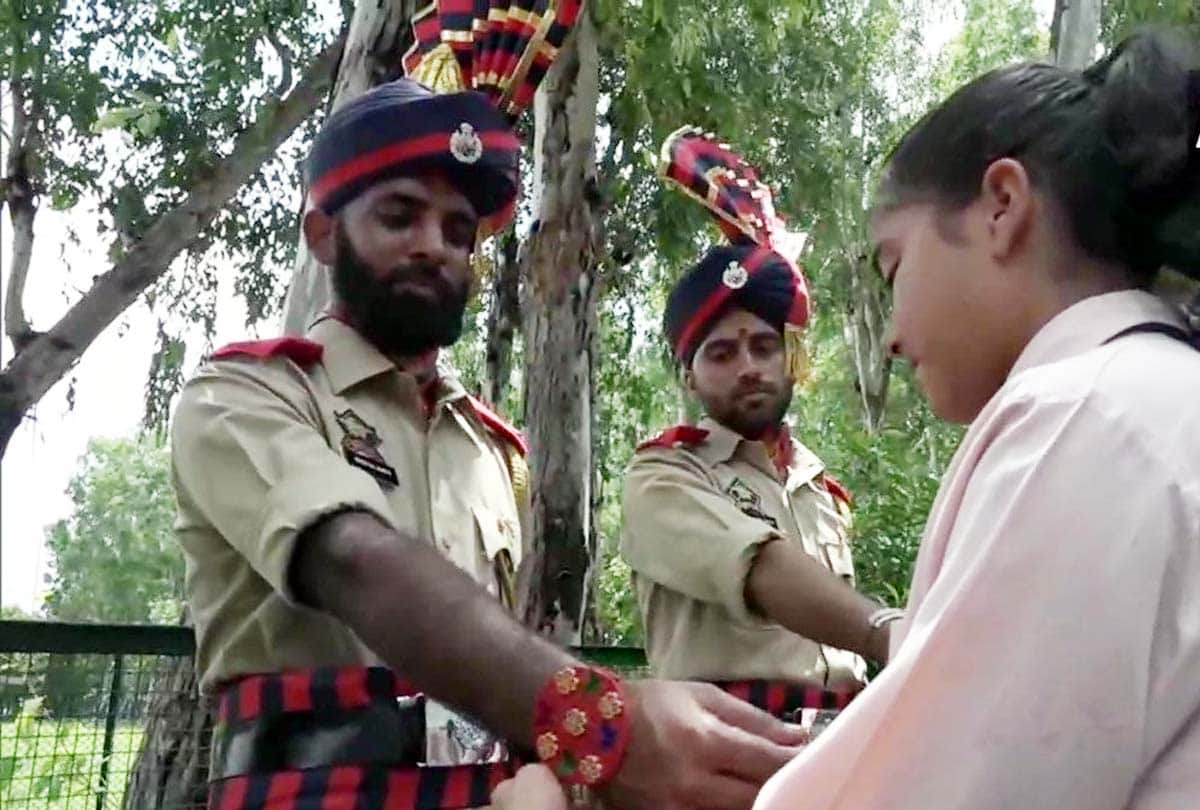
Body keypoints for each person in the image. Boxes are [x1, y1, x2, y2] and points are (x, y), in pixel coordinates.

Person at [171, 77, 806, 810]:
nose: (431, 247)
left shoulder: (490, 447)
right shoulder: (246, 393)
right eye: (399, 216)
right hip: (311, 791)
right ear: (323, 235)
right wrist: (601, 727)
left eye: (456, 231)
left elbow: (502, 644)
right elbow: (357, 561)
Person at [752, 28, 1200, 809]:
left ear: (1001, 205)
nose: (889, 334)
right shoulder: (1152, 398)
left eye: (895, 266)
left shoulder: (1088, 421)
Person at [619, 130, 897, 729]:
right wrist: (888, 629)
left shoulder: (820, 489)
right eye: (720, 353)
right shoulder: (663, 476)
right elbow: (761, 568)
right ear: (690, 378)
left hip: (843, 748)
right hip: (727, 755)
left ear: (787, 358)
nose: (747, 366)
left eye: (763, 346)